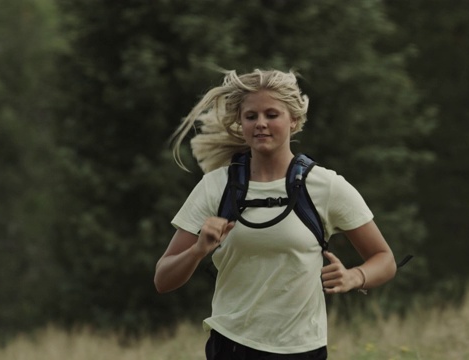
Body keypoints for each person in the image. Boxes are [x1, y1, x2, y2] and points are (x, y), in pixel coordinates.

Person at [154, 69, 397, 359]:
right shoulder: (215, 187)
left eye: (272, 115)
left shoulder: (326, 186)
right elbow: (162, 279)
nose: (261, 124)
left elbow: (385, 259)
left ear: (293, 120)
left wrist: (354, 277)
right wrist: (198, 250)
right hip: (232, 345)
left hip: (302, 348)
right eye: (251, 116)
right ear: (240, 122)